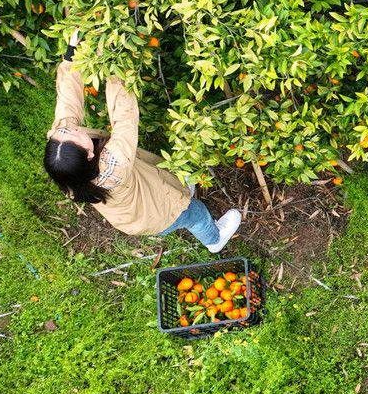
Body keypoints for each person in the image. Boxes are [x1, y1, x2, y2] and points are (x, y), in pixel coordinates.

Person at [45, 43, 241, 252]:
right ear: (90, 155)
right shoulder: (114, 166)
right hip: (156, 213)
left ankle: (181, 188)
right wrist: (113, 65)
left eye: (66, 132)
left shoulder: (65, 159)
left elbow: (67, 106)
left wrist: (72, 56)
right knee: (194, 214)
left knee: (167, 178)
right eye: (74, 135)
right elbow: (124, 117)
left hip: (133, 201)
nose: (72, 130)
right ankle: (215, 240)